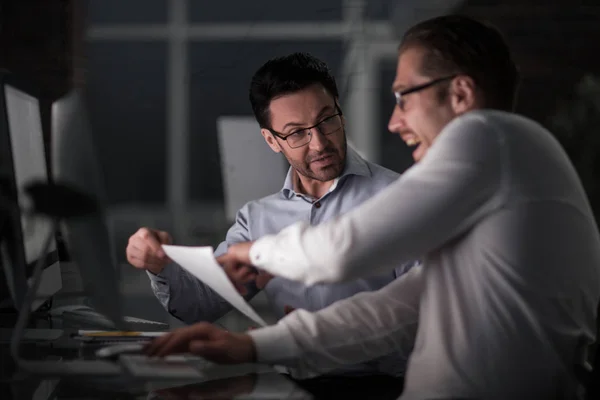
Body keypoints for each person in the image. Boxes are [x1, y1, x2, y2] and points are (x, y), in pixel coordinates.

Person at [144, 15, 600, 400]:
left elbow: (344, 250)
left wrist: (256, 253)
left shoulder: (486, 136)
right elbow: (396, 310)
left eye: (404, 96)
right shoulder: (502, 169)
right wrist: (255, 347)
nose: (394, 120)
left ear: (460, 95)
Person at [127, 52, 417, 376]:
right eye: (296, 133)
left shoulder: (400, 197)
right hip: (295, 385)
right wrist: (159, 265)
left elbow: (421, 312)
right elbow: (199, 304)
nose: (319, 143)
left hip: (387, 387)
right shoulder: (257, 220)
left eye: (326, 120)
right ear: (271, 140)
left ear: (341, 113)